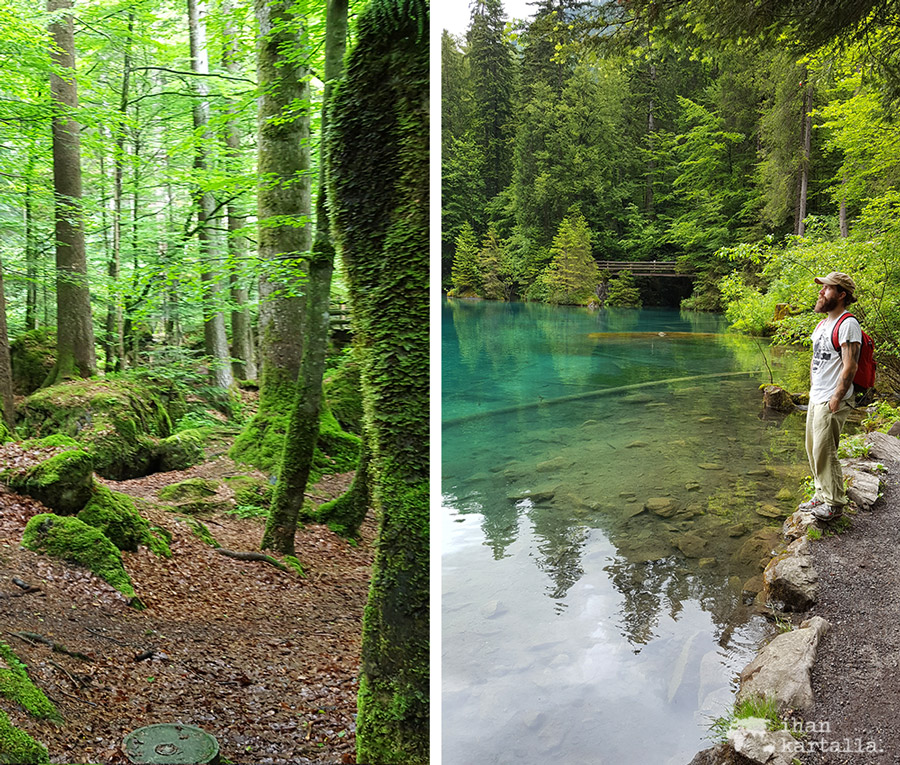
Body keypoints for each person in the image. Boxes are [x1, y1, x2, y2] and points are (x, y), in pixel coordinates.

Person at [798, 271, 862, 521]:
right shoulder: (822, 324)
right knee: (813, 449)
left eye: (827, 288)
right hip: (817, 395)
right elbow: (817, 360)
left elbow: (850, 366)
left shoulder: (848, 324)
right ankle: (819, 493)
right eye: (822, 288)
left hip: (832, 398)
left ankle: (834, 504)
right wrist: (813, 391)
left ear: (842, 294)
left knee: (826, 450)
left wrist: (836, 397)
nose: (821, 292)